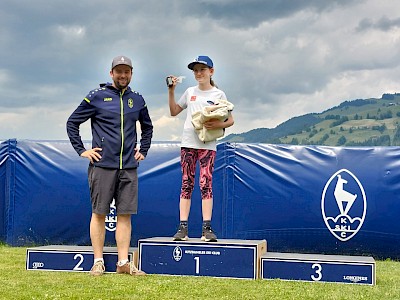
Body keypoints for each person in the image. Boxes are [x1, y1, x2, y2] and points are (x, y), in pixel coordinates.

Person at [66, 55, 153, 276]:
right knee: (99, 213)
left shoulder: (138, 99)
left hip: (129, 167)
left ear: (131, 74)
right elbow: (72, 123)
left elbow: (147, 127)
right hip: (102, 166)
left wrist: (143, 150)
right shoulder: (96, 96)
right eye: (119, 71)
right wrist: (82, 150)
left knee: (125, 215)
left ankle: (123, 263)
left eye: (127, 71)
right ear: (111, 73)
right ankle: (98, 262)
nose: (123, 75)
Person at [167, 55, 234, 242]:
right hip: (188, 143)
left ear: (211, 71)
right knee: (186, 183)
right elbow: (174, 111)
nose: (199, 73)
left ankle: (207, 228)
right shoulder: (189, 92)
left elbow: (230, 120)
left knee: (206, 184)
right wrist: (171, 91)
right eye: (196, 70)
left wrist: (218, 126)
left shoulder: (218, 94)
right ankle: (183, 228)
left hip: (207, 145)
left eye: (202, 69)